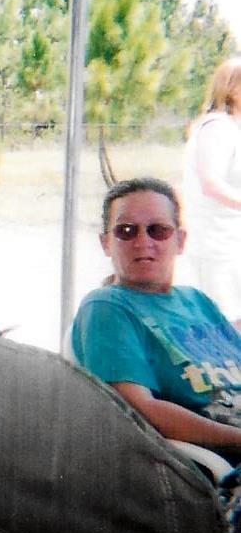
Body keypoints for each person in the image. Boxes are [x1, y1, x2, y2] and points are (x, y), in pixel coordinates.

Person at [71, 177, 241, 456]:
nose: (143, 242)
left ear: (180, 241)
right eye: (126, 231)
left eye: (158, 230)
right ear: (106, 243)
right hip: (213, 456)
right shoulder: (106, 307)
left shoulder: (197, 300)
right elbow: (140, 410)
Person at [183, 58, 241, 326]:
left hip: (231, 245)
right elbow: (211, 183)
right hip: (216, 248)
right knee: (224, 324)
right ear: (233, 89)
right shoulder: (217, 128)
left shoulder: (233, 130)